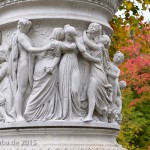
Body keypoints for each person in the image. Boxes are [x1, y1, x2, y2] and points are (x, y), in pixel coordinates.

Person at [24, 27, 76, 121]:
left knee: (37, 90)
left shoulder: (45, 40)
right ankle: (33, 112)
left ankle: (31, 112)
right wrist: (51, 66)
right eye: (63, 35)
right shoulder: (57, 43)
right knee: (46, 92)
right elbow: (68, 49)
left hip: (39, 67)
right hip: (48, 68)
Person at [8, 18, 54, 121]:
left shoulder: (19, 35)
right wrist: (46, 48)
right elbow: (30, 50)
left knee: (27, 90)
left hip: (28, 64)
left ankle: (14, 110)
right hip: (23, 64)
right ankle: (18, 115)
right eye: (27, 28)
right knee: (21, 89)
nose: (28, 30)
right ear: (22, 27)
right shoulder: (21, 36)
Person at [59, 25, 100, 120]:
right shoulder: (61, 43)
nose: (72, 36)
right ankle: (67, 114)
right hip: (65, 64)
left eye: (73, 34)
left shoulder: (77, 40)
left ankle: (77, 113)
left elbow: (82, 50)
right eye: (70, 34)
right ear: (66, 34)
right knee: (65, 89)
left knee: (75, 90)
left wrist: (75, 39)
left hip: (74, 64)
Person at [80, 23, 113, 122]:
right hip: (98, 73)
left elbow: (85, 41)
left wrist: (83, 32)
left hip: (97, 74)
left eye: (102, 36)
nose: (100, 35)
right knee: (91, 92)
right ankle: (91, 114)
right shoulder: (102, 49)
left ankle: (90, 115)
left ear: (105, 41)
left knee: (91, 92)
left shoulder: (99, 46)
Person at [105, 51, 124, 123]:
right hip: (106, 85)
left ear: (121, 61)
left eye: (120, 58)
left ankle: (111, 115)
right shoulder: (108, 64)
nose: (117, 58)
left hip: (114, 86)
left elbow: (116, 76)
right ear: (114, 56)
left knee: (112, 101)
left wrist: (108, 72)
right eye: (117, 56)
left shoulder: (118, 69)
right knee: (106, 99)